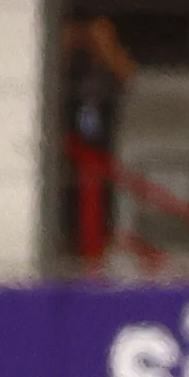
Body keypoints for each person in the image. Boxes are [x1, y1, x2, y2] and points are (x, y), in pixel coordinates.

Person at [59, 15, 137, 262]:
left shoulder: (108, 65)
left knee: (101, 199)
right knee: (67, 200)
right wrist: (70, 40)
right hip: (68, 149)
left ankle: (99, 249)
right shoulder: (72, 63)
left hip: (101, 149)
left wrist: (105, 44)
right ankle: (68, 245)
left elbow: (130, 74)